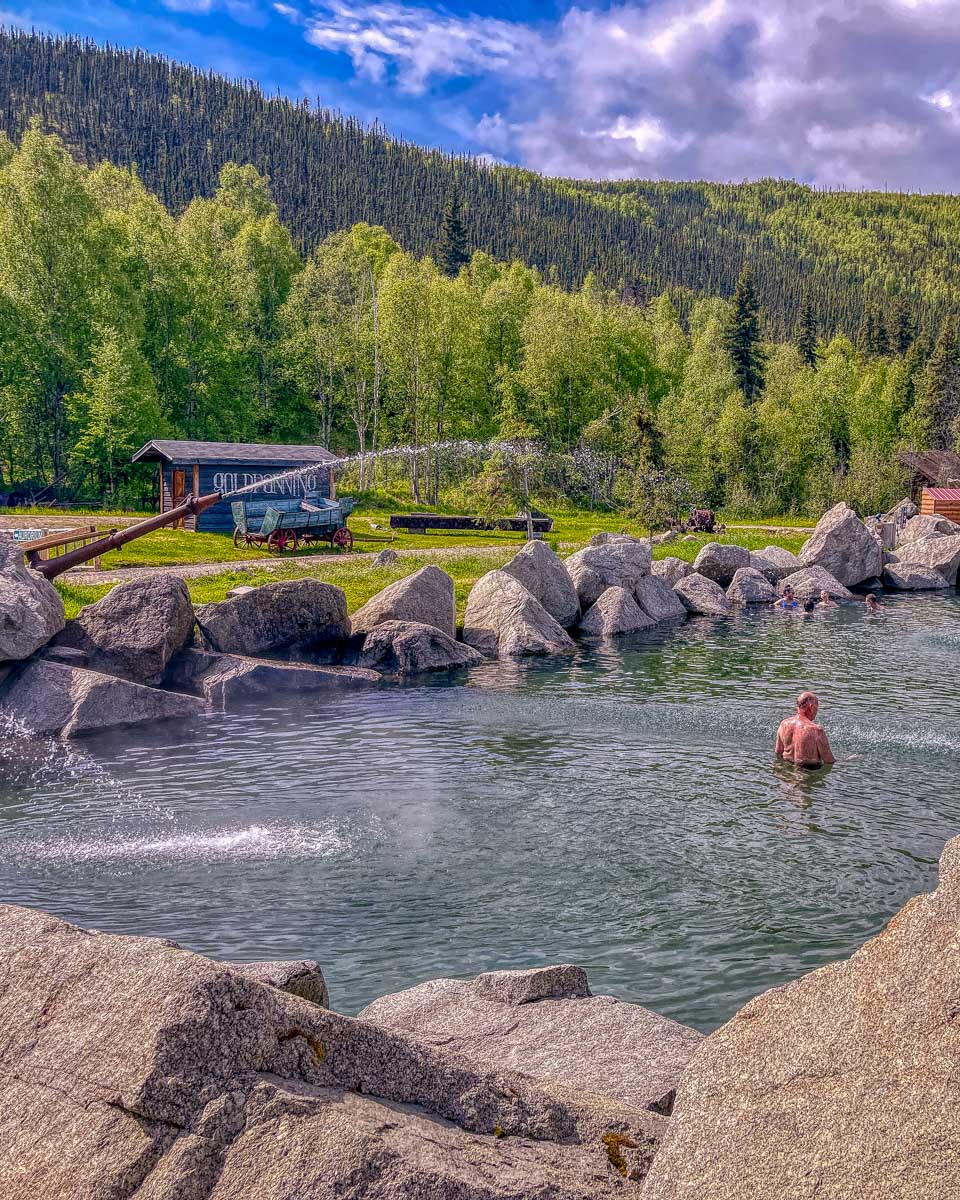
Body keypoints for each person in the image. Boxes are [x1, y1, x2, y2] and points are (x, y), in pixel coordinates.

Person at [775, 691, 836, 769]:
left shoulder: (784, 724)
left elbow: (778, 752)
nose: (817, 712)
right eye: (816, 708)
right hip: (807, 774)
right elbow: (829, 761)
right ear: (811, 707)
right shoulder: (816, 730)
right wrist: (847, 760)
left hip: (787, 772)